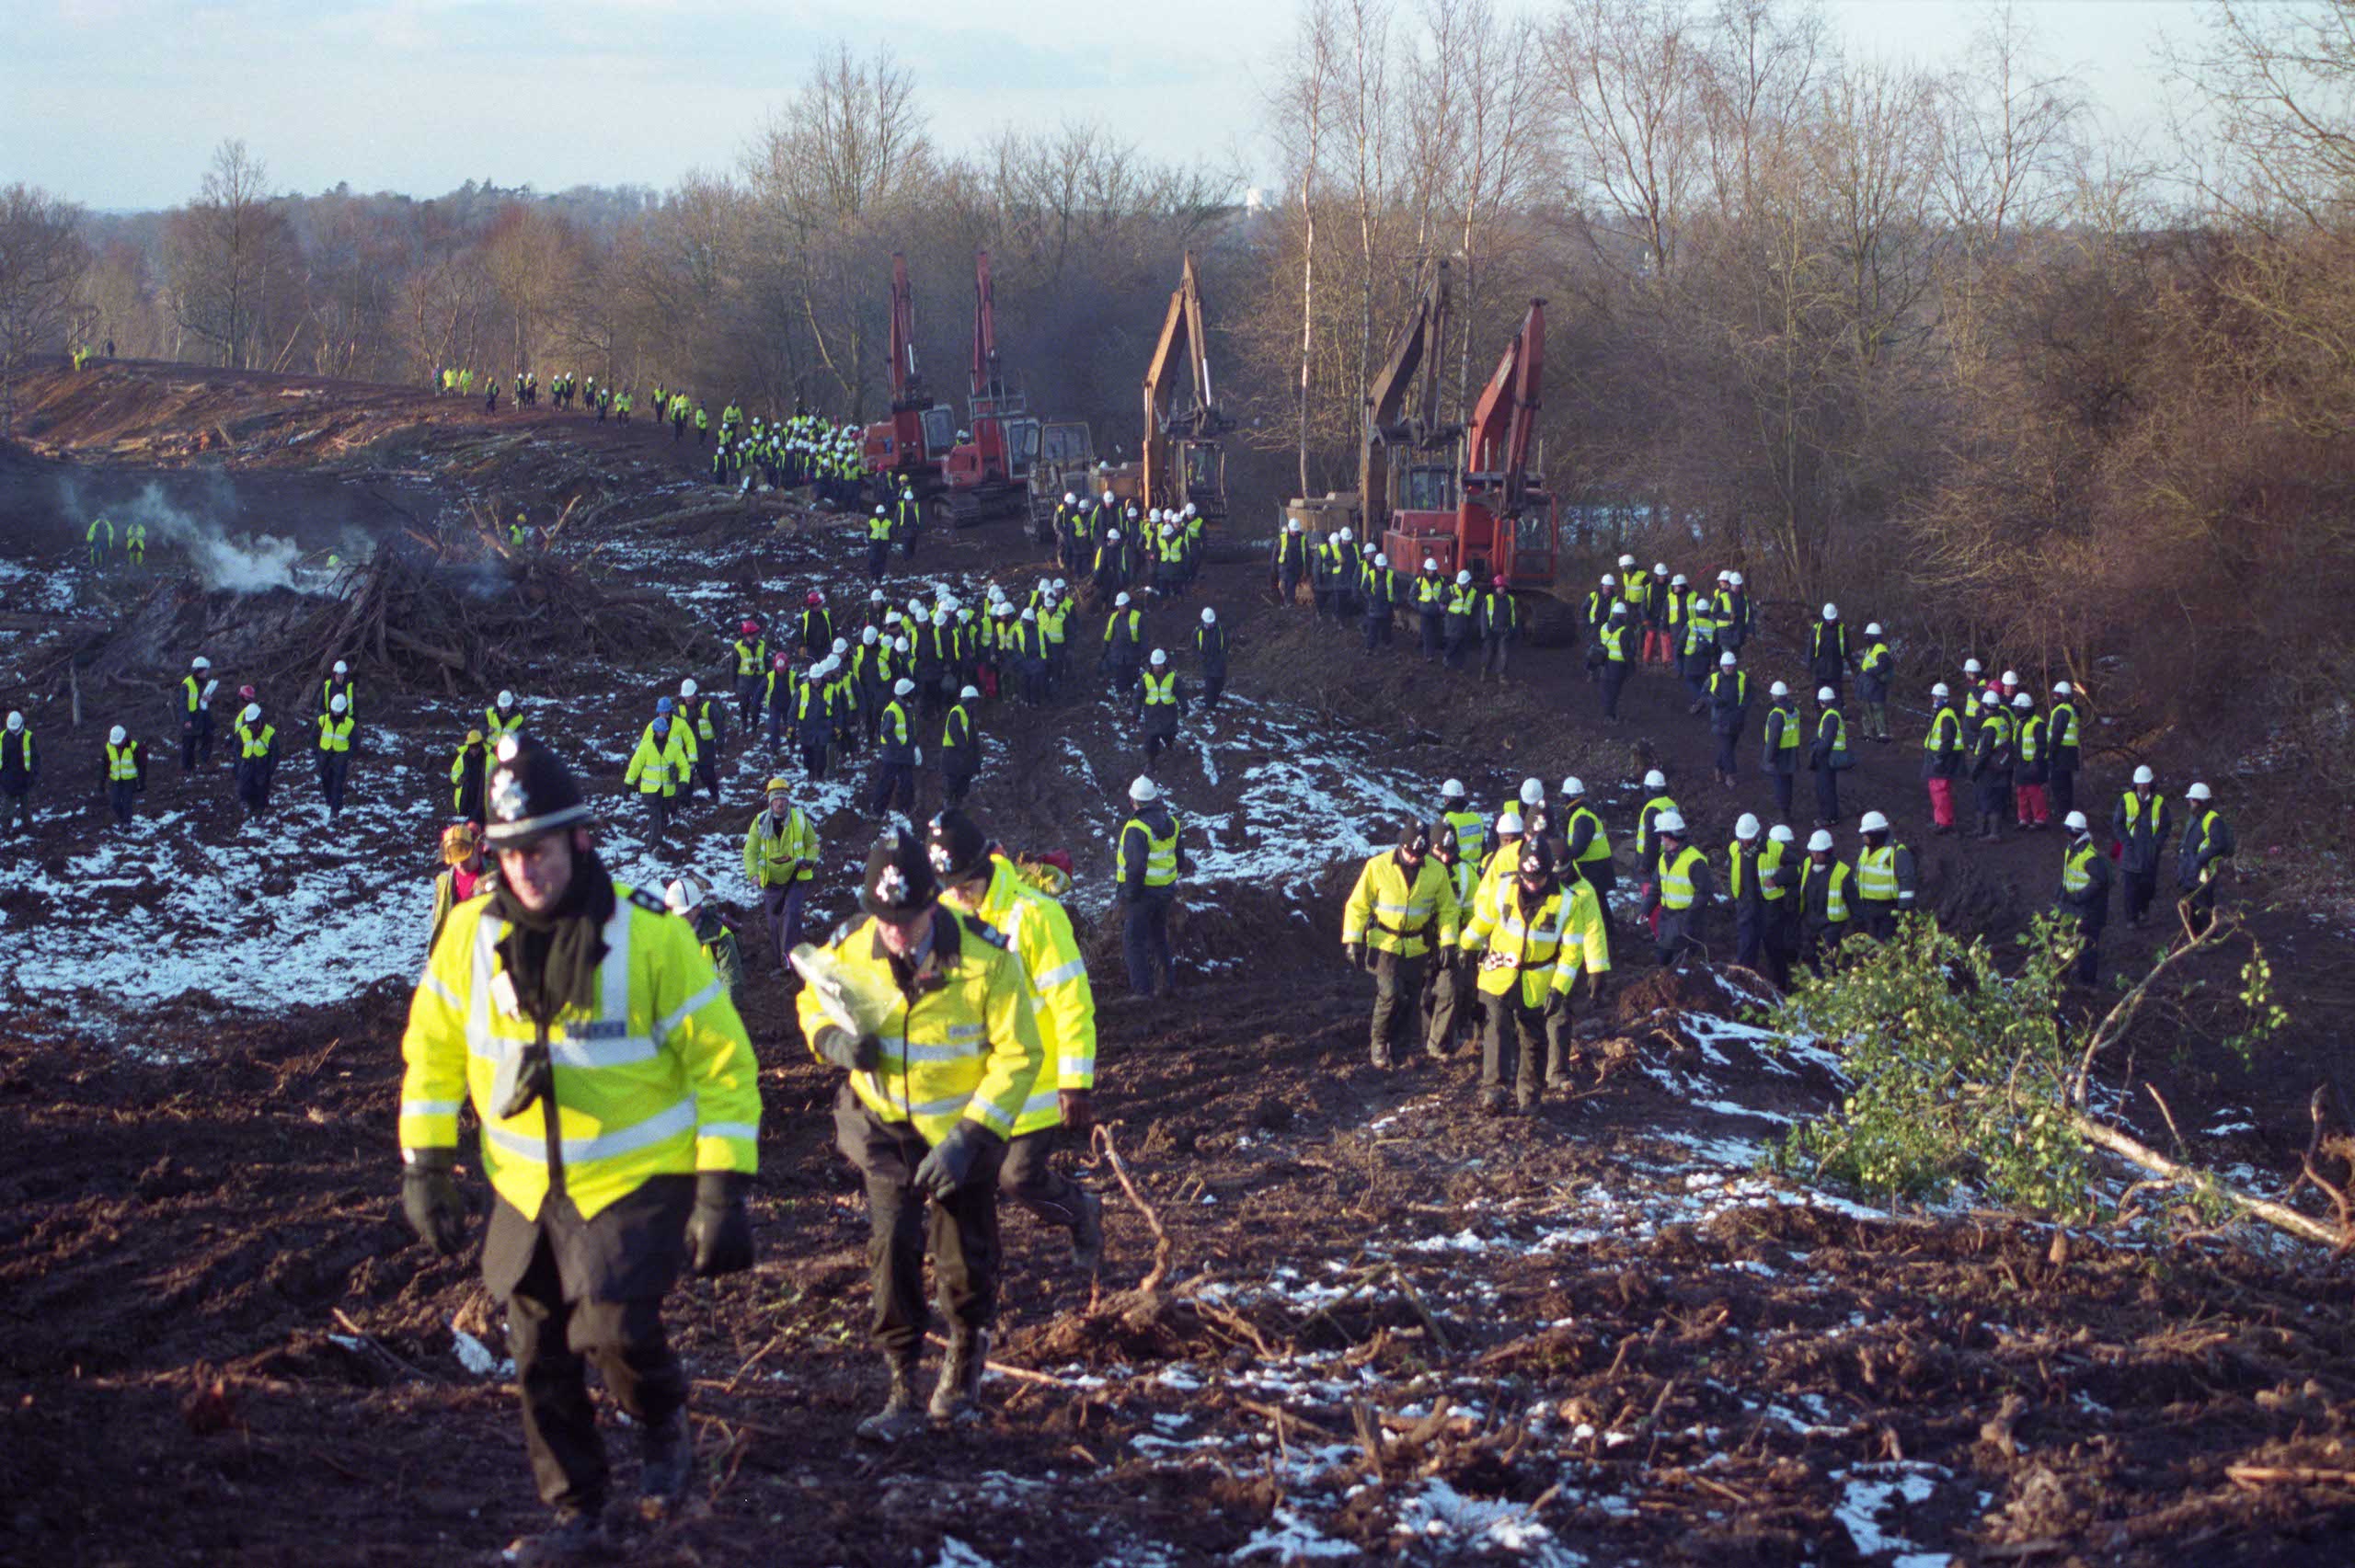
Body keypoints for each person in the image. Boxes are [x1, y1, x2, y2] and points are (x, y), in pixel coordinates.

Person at [396, 738, 759, 1561]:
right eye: (511, 852)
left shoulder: (650, 938)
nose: (527, 868)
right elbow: (433, 1048)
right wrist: (426, 1162)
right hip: (523, 1188)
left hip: (634, 1179)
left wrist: (722, 1187)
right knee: (539, 1354)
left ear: (580, 842)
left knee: (613, 1327)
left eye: (542, 849)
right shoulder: (468, 935)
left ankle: (663, 1419)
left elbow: (723, 1059)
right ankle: (579, 1514)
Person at [796, 829, 1042, 1442]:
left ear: (935, 903)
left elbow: (1019, 1053)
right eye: (885, 920)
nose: (895, 933)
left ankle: (962, 1367)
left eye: (906, 919)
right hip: (886, 1127)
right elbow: (812, 1001)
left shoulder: (988, 960)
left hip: (964, 1132)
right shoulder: (853, 945)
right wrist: (833, 1041)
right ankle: (902, 1382)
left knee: (964, 1256)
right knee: (892, 1249)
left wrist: (970, 1135)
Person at [928, 809, 1106, 1273]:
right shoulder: (946, 915)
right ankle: (980, 1276)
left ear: (986, 867)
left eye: (966, 883)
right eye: (950, 885)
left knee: (1019, 1179)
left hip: (1037, 1081)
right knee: (966, 1184)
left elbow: (1072, 1001)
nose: (958, 894)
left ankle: (1082, 1213)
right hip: (980, 1082)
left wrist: (1076, 1082)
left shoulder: (1035, 916)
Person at [1457, 838, 1609, 1114]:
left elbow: (1572, 953)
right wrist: (1465, 944)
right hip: (1499, 973)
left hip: (1538, 981)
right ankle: (1494, 1090)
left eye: (1537, 879)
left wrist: (1559, 989)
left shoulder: (1567, 902)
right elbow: (1484, 920)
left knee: (1533, 1040)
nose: (1531, 884)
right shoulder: (1503, 888)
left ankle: (1530, 1096)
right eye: (1527, 878)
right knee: (1497, 1027)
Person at [1341, 820, 1463, 1069]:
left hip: (1417, 945)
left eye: (1419, 855)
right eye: (1410, 853)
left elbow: (1448, 910)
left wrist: (1449, 942)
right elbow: (1358, 905)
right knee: (1390, 994)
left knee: (1411, 999)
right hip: (1384, 944)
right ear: (1400, 846)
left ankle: (1400, 1050)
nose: (1414, 859)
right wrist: (1352, 939)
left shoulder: (1436, 871)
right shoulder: (1377, 867)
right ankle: (1379, 1042)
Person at [1116, 775, 1189, 999]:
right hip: (1165, 891)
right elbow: (1180, 858)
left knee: (1133, 941)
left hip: (1143, 894)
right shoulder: (1172, 823)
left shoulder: (1136, 828)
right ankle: (1167, 985)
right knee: (1159, 937)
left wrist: (1130, 894)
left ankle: (1142, 992)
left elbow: (1136, 866)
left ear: (1133, 800)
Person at [744, 778, 819, 975]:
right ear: (770, 801)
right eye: (776, 799)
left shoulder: (800, 819)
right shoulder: (760, 822)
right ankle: (779, 959)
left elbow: (813, 844)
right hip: (772, 882)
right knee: (774, 922)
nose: (780, 803)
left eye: (783, 799)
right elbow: (750, 852)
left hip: (796, 877)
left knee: (791, 915)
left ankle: (791, 960)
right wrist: (753, 874)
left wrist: (810, 859)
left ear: (788, 801)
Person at [1640, 810, 1715, 967]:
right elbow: (1656, 887)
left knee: (1680, 967)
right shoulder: (1664, 858)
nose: (1661, 839)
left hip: (1687, 922)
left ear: (1671, 836)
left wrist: (1689, 917)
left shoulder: (1694, 860)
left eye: (1663, 835)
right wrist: (1646, 909)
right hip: (1668, 919)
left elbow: (1704, 893)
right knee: (1662, 961)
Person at [2110, 765, 2172, 928]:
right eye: (2140, 783)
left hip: (2150, 852)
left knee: (2147, 886)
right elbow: (2118, 824)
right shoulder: (2126, 800)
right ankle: (2131, 918)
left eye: (2146, 783)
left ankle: (2143, 908)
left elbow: (2166, 826)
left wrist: (2156, 844)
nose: (2143, 786)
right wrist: (2126, 841)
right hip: (2131, 850)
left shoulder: (2159, 803)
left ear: (2150, 783)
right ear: (2135, 783)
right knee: (2130, 887)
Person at [2057, 810, 2112, 985]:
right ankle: (2069, 973)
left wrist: (2079, 897)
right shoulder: (2072, 849)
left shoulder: (2089, 857)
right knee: (2067, 939)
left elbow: (2100, 881)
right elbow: (2068, 877)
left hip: (2087, 910)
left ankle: (2088, 982)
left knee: (2087, 945)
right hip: (2073, 905)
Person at [664, 877, 743, 994]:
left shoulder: (719, 937)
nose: (681, 919)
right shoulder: (664, 936)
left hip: (714, 1004)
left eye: (685, 914)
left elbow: (732, 981)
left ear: (698, 908)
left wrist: (725, 1011)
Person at [2176, 782, 2234, 937]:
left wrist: (2198, 859)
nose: (2190, 803)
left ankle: (2210, 938)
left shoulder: (2212, 820)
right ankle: (2196, 936)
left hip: (2202, 871)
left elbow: (2219, 844)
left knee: (2205, 907)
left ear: (2199, 801)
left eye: (2192, 800)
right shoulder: (2194, 818)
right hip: (2189, 870)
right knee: (2190, 906)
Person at [623, 709, 691, 838]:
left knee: (663, 816)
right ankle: (653, 843)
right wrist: (628, 784)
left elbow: (684, 766)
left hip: (667, 791)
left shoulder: (674, 748)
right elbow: (635, 767)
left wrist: (683, 782)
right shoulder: (645, 748)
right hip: (650, 791)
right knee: (655, 816)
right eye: (660, 731)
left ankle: (659, 840)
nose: (662, 733)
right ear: (654, 731)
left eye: (664, 731)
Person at [1853, 810, 1917, 940]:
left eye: (1866, 834)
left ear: (1876, 834)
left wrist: (1904, 910)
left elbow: (1907, 881)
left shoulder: (1897, 852)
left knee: (1885, 945)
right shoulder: (1865, 850)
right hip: (1867, 908)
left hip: (1888, 910)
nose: (1863, 837)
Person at [1797, 828, 1853, 971]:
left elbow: (1854, 902)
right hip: (1810, 923)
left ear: (1828, 851)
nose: (1814, 855)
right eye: (1812, 851)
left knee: (1828, 962)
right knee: (1809, 959)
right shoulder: (1807, 864)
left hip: (1831, 925)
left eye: (1818, 852)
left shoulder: (1842, 871)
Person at [428, 820, 487, 952]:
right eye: (455, 860)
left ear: (476, 847)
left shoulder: (493, 877)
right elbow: (438, 924)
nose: (459, 864)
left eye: (464, 858)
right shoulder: (444, 883)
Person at [867, 678, 920, 818]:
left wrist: (915, 746)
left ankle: (905, 809)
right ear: (905, 694)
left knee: (907, 783)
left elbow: (910, 730)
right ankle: (877, 811)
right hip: (893, 755)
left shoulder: (907, 709)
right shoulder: (892, 711)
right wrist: (902, 748)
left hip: (904, 754)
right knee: (886, 783)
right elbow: (886, 733)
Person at [1967, 689, 2014, 841]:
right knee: (1996, 799)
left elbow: (1984, 752)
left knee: (1985, 798)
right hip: (2002, 766)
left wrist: (1974, 772)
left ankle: (1989, 832)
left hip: (1989, 769)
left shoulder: (1989, 726)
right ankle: (1986, 830)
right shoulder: (2002, 721)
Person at [1759, 824, 1801, 990]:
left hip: (1790, 910)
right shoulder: (1769, 861)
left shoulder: (1794, 865)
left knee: (1789, 945)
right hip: (1774, 908)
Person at [1921, 682, 1964, 835]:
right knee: (1939, 791)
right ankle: (1941, 820)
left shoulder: (1945, 715)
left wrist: (1939, 758)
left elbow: (1947, 740)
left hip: (1942, 758)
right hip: (1942, 757)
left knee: (1939, 791)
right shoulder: (1945, 713)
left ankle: (1944, 822)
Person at [1135, 649, 1189, 770]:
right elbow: (1138, 696)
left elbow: (1181, 693)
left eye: (1160, 665)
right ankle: (1151, 761)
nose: (1158, 668)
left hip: (1169, 712)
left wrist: (1184, 706)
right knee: (1151, 739)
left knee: (1170, 734)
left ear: (1165, 663)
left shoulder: (1173, 678)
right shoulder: (1146, 678)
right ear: (1151, 665)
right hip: (1152, 713)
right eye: (1155, 665)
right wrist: (1136, 710)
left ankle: (1169, 746)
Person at [1753, 680, 1798, 819]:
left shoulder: (1777, 714)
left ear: (1774, 696)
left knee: (1780, 786)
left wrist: (1768, 759)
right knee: (1787, 784)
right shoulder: (1794, 710)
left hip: (1780, 754)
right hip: (1792, 752)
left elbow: (1773, 739)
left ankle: (1783, 815)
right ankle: (1787, 811)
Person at [1727, 815, 1766, 974]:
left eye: (1749, 840)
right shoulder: (1733, 848)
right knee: (1747, 936)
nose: (1745, 843)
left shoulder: (1768, 849)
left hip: (1764, 900)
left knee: (1760, 937)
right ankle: (1745, 969)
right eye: (1743, 839)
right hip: (1744, 899)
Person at [1707, 652, 1750, 789]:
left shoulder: (1742, 678)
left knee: (1729, 747)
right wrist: (1714, 701)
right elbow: (1704, 694)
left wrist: (1743, 708)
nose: (1728, 668)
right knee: (1727, 748)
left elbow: (1750, 695)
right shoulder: (1714, 679)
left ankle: (1718, 767)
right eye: (1725, 666)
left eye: (1730, 666)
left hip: (1736, 719)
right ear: (1721, 666)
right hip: (1720, 720)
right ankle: (1730, 775)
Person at [1809, 687, 1849, 828]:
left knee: (1825, 788)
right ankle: (1830, 815)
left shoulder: (1830, 716)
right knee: (1827, 787)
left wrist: (1816, 750)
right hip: (1831, 756)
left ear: (1821, 702)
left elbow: (1826, 741)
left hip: (1827, 757)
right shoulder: (1834, 714)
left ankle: (1829, 817)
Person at [939, 685, 982, 807]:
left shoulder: (969, 714)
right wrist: (966, 749)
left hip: (963, 755)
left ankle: (957, 805)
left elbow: (972, 736)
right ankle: (948, 805)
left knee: (963, 781)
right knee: (953, 781)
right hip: (953, 754)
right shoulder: (957, 712)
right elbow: (955, 733)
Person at [2012, 692, 2050, 830]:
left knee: (2034, 792)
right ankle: (2024, 819)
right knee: (2021, 792)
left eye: (2017, 708)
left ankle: (2040, 819)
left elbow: (2042, 746)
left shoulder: (2037, 723)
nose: (2015, 710)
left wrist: (2036, 762)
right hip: (2021, 763)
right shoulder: (2019, 723)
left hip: (2034, 763)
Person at [233, 703, 276, 821]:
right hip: (247, 763)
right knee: (245, 788)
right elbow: (237, 748)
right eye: (249, 723)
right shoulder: (243, 732)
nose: (250, 726)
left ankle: (259, 811)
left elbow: (275, 753)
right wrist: (240, 761)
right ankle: (251, 807)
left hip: (262, 764)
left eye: (252, 723)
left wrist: (270, 769)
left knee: (261, 789)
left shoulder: (270, 732)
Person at [2047, 682, 2082, 826]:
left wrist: (2050, 754)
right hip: (2070, 753)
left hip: (2061, 753)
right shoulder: (2072, 710)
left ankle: (2062, 813)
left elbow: (2056, 735)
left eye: (2056, 695)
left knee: (2059, 785)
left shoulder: (2061, 711)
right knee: (2067, 786)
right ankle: (2066, 812)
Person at [316, 694, 355, 819]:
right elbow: (313, 736)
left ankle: (335, 811)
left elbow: (355, 743)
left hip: (340, 757)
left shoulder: (350, 724)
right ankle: (330, 801)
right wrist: (317, 752)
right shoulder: (323, 720)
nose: (336, 712)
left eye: (339, 710)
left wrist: (346, 755)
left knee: (337, 784)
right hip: (325, 755)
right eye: (335, 710)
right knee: (326, 780)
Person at [0, 711, 38, 834]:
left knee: (26, 806)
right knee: (7, 808)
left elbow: (35, 758)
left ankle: (28, 825)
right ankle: (5, 828)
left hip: (24, 778)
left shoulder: (29, 737)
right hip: (8, 780)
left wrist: (34, 775)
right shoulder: (2, 738)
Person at [180, 656, 219, 773]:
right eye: (205, 670)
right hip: (191, 717)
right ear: (199, 670)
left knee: (208, 738)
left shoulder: (206, 682)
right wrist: (186, 720)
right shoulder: (187, 684)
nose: (207, 672)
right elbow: (182, 704)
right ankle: (188, 769)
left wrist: (210, 700)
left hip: (203, 715)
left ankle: (204, 762)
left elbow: (209, 700)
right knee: (189, 744)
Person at [1595, 601, 1632, 722]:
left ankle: (1608, 714)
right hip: (1618, 666)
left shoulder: (1604, 627)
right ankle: (1610, 716)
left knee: (1607, 690)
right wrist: (1631, 668)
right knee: (1614, 692)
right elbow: (1627, 652)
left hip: (1605, 664)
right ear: (1623, 616)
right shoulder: (1624, 631)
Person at [1856, 624, 1894, 741]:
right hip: (1867, 684)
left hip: (1875, 684)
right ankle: (1868, 733)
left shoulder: (1880, 649)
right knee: (1866, 708)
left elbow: (1883, 665)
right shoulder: (1870, 649)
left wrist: (1871, 672)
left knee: (1878, 708)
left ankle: (1882, 733)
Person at [1479, 575, 1519, 682]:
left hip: (1504, 632)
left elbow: (1513, 617)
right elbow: (1484, 617)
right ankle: (1484, 672)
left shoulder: (1510, 600)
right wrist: (1484, 632)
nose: (1500, 589)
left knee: (1503, 654)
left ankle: (1501, 675)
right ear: (1495, 587)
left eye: (1502, 587)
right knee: (1488, 653)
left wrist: (1511, 630)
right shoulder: (1489, 599)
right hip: (1491, 632)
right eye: (1498, 587)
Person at [1809, 604, 1850, 703]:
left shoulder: (1841, 629)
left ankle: (1837, 714)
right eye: (1829, 619)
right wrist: (1811, 666)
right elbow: (1811, 649)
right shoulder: (1817, 629)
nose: (1831, 622)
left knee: (1837, 696)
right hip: (1820, 670)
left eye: (1832, 619)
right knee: (1818, 697)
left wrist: (1852, 665)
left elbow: (1846, 649)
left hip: (1835, 669)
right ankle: (1820, 716)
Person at [732, 620, 768, 731]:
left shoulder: (762, 645)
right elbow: (734, 666)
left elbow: (767, 662)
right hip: (744, 681)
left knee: (756, 706)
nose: (754, 636)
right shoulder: (738, 647)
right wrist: (734, 684)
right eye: (752, 634)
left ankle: (754, 728)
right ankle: (744, 725)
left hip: (758, 680)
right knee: (744, 705)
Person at [451, 729, 489, 824]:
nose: (474, 750)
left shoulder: (489, 757)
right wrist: (458, 779)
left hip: (482, 798)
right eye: (472, 747)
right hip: (466, 798)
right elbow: (454, 772)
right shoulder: (463, 757)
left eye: (477, 747)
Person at [1193, 608, 1227, 710]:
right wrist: (1202, 658)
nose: (1209, 625)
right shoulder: (1197, 632)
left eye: (1211, 622)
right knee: (1209, 686)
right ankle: (1209, 707)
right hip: (1206, 663)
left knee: (1219, 684)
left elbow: (1226, 645)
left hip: (1219, 662)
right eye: (1208, 623)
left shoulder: (1221, 630)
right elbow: (1194, 648)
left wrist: (1221, 658)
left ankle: (1213, 702)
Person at [1273, 519, 1309, 605]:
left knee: (1293, 587)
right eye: (1293, 530)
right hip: (1285, 567)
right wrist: (1274, 571)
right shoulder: (1282, 540)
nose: (1294, 533)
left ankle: (1291, 603)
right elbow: (1275, 556)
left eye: (1296, 530)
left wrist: (1306, 570)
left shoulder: (1303, 539)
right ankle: (1287, 602)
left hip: (1297, 568)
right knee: (1286, 585)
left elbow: (1307, 556)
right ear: (1289, 529)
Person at [322, 659, 358, 723]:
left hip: (346, 721)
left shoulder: (350, 687)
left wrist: (353, 721)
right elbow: (320, 706)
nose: (340, 677)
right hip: (329, 719)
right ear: (334, 674)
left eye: (342, 675)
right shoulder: (327, 686)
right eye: (338, 674)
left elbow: (355, 707)